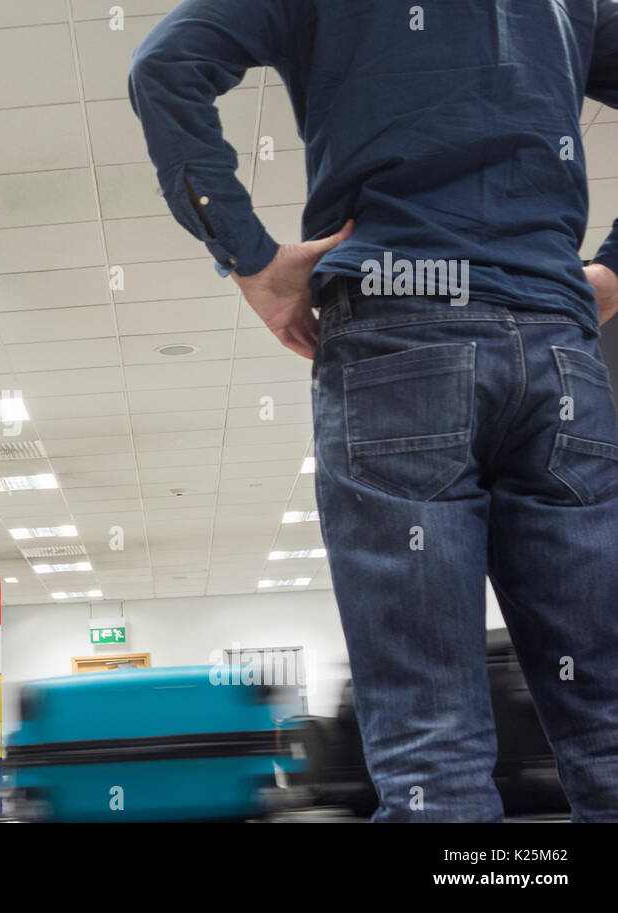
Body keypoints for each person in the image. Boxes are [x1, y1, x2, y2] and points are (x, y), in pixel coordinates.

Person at [129, 0, 618, 821]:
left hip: (399, 329)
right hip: (559, 350)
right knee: (605, 713)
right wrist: (608, 272)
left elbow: (164, 67)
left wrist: (250, 259)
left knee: (431, 733)